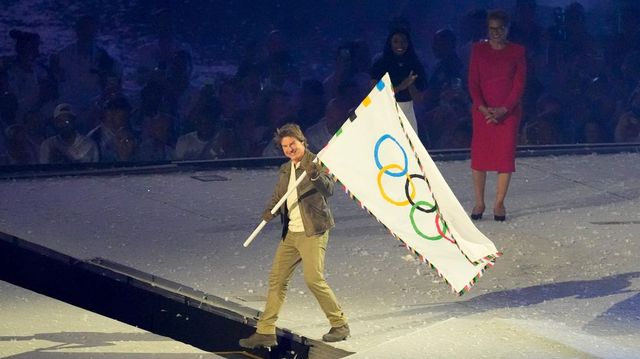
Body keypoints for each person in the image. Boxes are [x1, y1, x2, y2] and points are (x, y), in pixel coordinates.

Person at [239, 123, 349, 349]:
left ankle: (340, 325)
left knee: (313, 279)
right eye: (285, 146)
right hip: (291, 233)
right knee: (277, 280)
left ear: (303, 142)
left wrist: (316, 175)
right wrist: (270, 210)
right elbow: (280, 195)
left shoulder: (316, 163)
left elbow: (329, 190)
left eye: (293, 144)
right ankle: (265, 331)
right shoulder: (286, 169)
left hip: (313, 232)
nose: (289, 149)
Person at [468, 10, 526, 221]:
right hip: (482, 112)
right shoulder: (478, 50)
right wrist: (482, 107)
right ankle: (479, 201)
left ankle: (499, 203)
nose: (496, 33)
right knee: (480, 157)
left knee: (504, 157)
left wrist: (504, 109)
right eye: (492, 29)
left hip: (507, 113)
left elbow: (518, 84)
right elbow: (473, 82)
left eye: (500, 28)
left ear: (507, 28)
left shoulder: (517, 51)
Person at [370, 27, 427, 131]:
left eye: (404, 41)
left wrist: (410, 84)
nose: (400, 45)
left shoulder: (415, 64)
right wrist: (401, 86)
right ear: (390, 43)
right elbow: (376, 92)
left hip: (408, 110)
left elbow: (419, 98)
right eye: (396, 41)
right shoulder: (380, 65)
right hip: (385, 111)